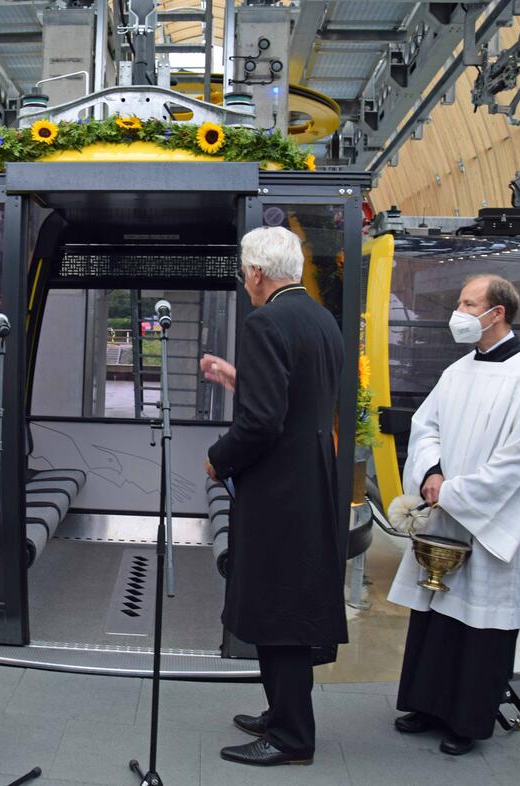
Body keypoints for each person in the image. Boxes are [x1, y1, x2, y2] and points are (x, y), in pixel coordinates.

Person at [388, 274, 520, 756]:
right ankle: (426, 705)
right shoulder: (459, 369)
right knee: (436, 613)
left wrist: (457, 491)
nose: (459, 313)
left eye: (469, 304)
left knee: (481, 627)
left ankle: (467, 721)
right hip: (449, 513)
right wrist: (431, 471)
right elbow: (427, 426)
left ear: (497, 313)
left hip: (492, 526)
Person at [201, 226, 345, 767]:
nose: (244, 280)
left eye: (245, 271)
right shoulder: (319, 318)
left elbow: (261, 424)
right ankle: (281, 711)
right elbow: (297, 399)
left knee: (279, 606)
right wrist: (240, 379)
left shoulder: (265, 322)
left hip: (278, 490)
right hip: (309, 480)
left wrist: (219, 458)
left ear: (258, 272)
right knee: (286, 601)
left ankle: (290, 736)